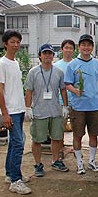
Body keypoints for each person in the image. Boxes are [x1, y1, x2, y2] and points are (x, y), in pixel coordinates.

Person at [0, 30, 31, 195]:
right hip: (11, 111)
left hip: (19, 108)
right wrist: (4, 113)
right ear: (5, 44)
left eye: (18, 42)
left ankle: (10, 175)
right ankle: (16, 181)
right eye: (12, 42)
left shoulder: (15, 62)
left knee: (14, 143)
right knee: (18, 144)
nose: (16, 45)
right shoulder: (2, 64)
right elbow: (0, 91)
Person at [24, 44, 69, 177]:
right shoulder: (33, 72)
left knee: (56, 137)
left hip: (55, 111)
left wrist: (65, 106)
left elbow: (63, 90)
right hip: (39, 111)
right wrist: (28, 108)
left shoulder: (59, 72)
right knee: (37, 139)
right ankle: (38, 164)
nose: (48, 56)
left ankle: (55, 161)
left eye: (50, 53)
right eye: (45, 53)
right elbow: (29, 91)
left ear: (53, 56)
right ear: (40, 55)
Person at [64, 34, 98, 175]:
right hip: (78, 106)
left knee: (94, 134)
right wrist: (75, 91)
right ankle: (79, 163)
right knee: (78, 135)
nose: (86, 47)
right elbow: (67, 84)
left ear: (92, 47)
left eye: (89, 45)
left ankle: (92, 161)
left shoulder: (97, 64)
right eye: (83, 45)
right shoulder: (73, 64)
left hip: (94, 105)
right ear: (79, 47)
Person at [54, 39, 75, 158]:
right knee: (59, 128)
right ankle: (60, 150)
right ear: (62, 49)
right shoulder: (56, 66)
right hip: (61, 102)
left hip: (76, 102)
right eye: (66, 47)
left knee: (76, 128)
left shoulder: (77, 64)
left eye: (71, 48)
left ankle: (75, 148)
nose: (68, 50)